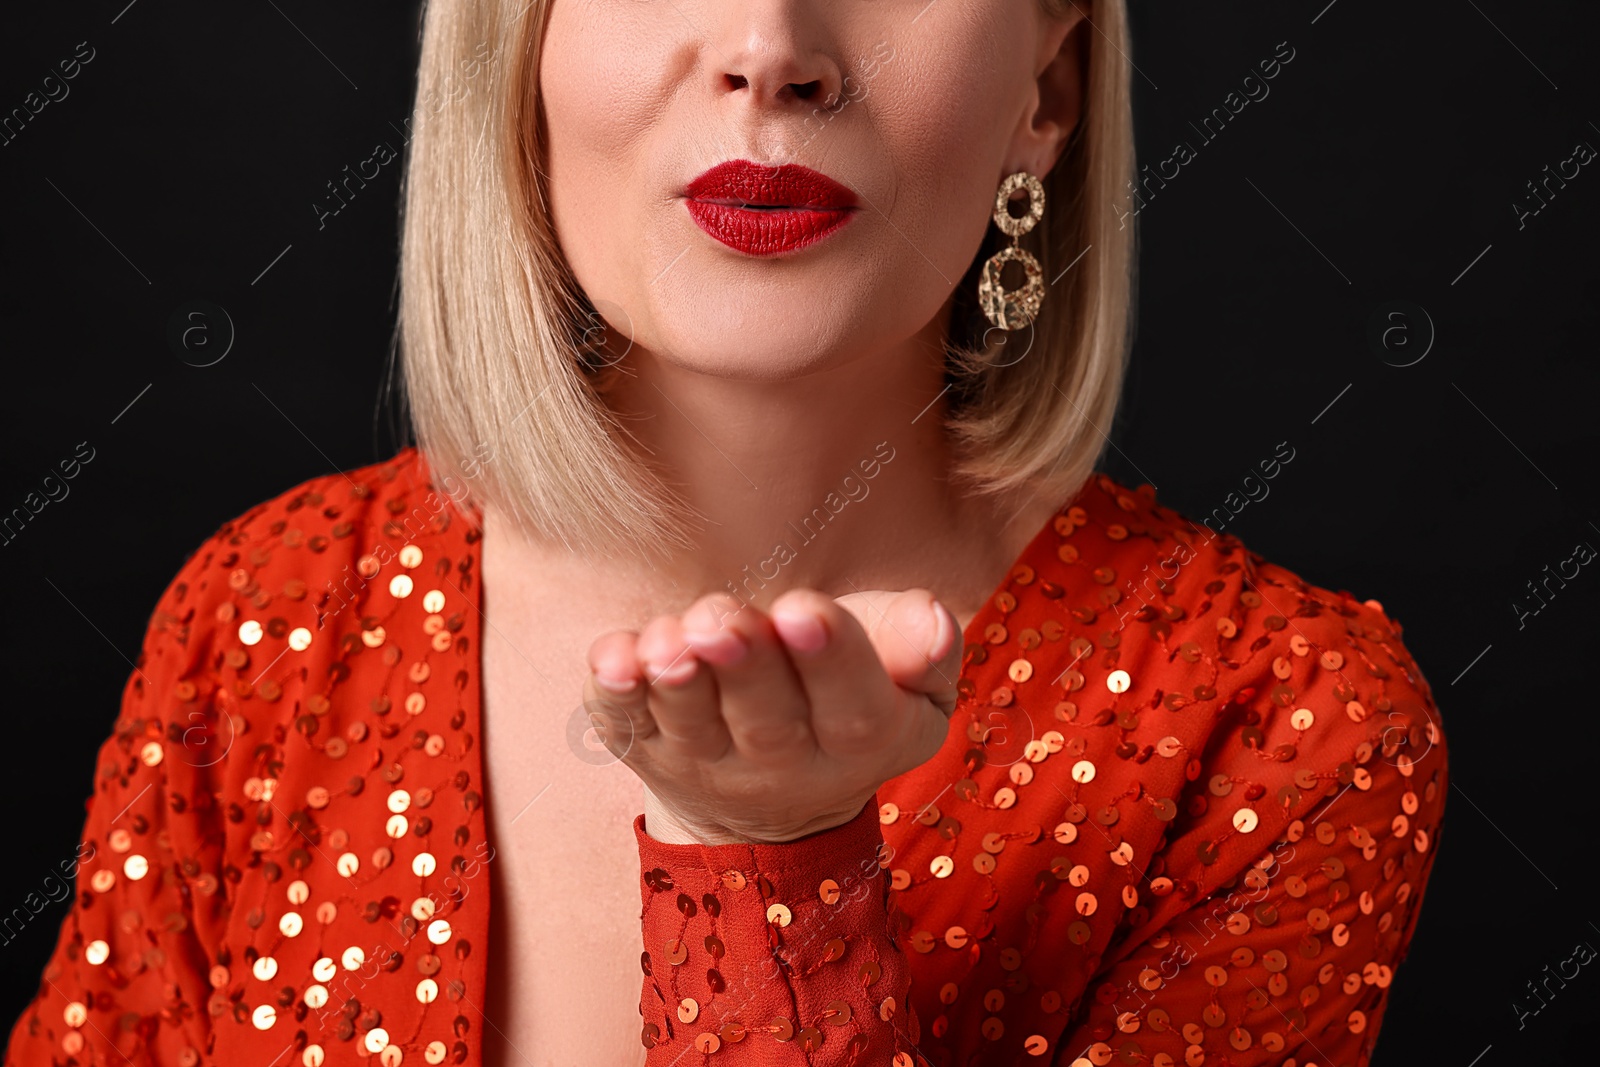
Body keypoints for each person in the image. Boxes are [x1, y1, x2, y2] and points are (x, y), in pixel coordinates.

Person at [4, 1, 1448, 1064]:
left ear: (1048, 81)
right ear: (517, 51)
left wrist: (780, 874)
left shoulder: (1285, 732)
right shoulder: (269, 619)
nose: (772, 45)